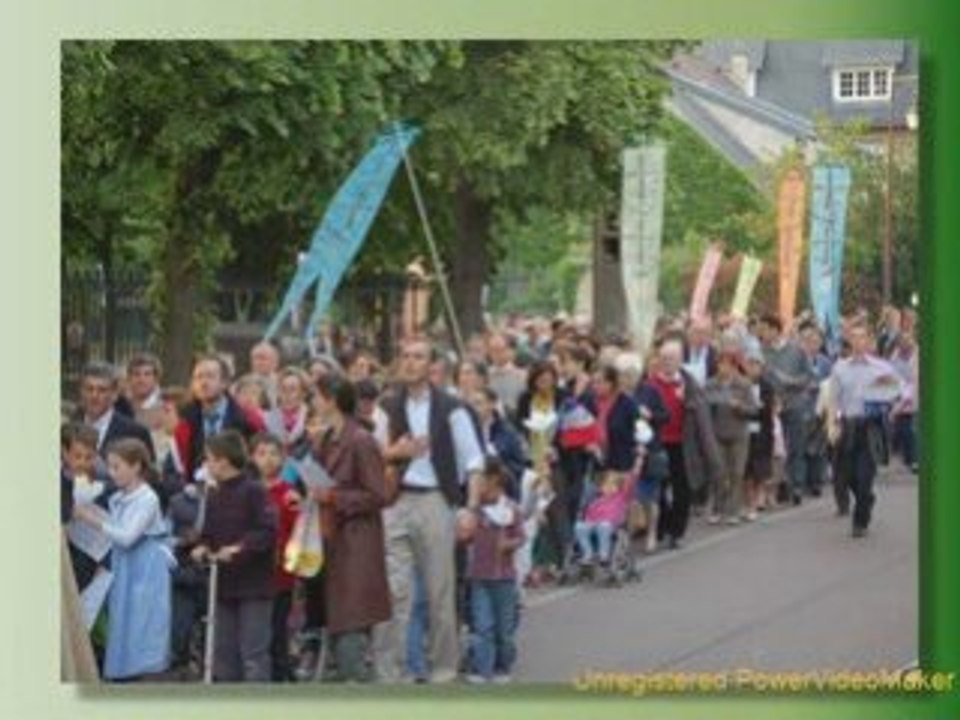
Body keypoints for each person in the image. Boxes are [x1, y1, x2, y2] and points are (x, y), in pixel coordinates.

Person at [374, 337, 485, 683]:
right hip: (395, 501)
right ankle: (388, 674)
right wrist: (398, 452)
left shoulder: (451, 408)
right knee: (393, 592)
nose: (410, 363)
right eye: (405, 356)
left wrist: (470, 508)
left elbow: (474, 461)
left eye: (418, 357)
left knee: (439, 592)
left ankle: (443, 672)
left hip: (436, 500)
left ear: (432, 365)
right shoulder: (386, 407)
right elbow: (374, 454)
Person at [312, 376, 392, 682]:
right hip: (331, 540)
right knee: (339, 624)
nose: (313, 403)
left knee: (352, 625)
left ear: (331, 399)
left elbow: (378, 494)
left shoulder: (360, 440)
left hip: (356, 545)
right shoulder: (324, 439)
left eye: (317, 397)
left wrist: (333, 496)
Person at [71, 438, 173, 681]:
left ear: (136, 466)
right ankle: (122, 673)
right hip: (127, 565)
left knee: (142, 622)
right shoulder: (121, 496)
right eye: (110, 466)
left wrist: (90, 518)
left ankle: (140, 676)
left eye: (117, 467)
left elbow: (127, 536)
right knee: (123, 619)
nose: (112, 472)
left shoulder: (147, 498)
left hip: (145, 568)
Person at [192, 430, 277, 682]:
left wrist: (239, 548)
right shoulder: (214, 494)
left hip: (253, 587)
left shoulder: (254, 491)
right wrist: (202, 547)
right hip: (223, 586)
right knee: (223, 656)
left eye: (209, 459)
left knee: (253, 654)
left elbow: (267, 531)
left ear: (223, 460)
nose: (206, 465)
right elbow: (208, 533)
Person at [829, 325, 903, 537]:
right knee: (848, 475)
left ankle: (860, 522)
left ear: (870, 341)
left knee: (865, 475)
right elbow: (833, 400)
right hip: (848, 425)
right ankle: (866, 498)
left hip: (872, 427)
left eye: (863, 337)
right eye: (854, 337)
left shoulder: (882, 368)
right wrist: (833, 424)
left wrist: (892, 410)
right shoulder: (840, 368)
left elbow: (900, 392)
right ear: (849, 341)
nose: (859, 342)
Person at [649, 336, 723, 549]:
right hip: (658, 444)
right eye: (663, 358)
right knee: (659, 489)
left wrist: (687, 401)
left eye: (671, 358)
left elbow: (702, 415)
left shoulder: (689, 383)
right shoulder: (651, 383)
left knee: (683, 490)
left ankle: (677, 531)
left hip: (683, 443)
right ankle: (662, 524)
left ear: (680, 359)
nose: (667, 362)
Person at [459, 458, 524, 684]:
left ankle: (502, 666)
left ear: (493, 480)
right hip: (479, 578)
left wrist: (509, 544)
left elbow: (521, 537)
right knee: (482, 626)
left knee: (503, 631)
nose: (476, 486)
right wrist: (464, 534)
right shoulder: (476, 512)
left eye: (480, 481)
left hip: (504, 580)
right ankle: (481, 668)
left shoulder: (511, 509)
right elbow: (464, 538)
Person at [250, 433, 301, 683]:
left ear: (282, 458)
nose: (268, 460)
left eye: (273, 453)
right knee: (256, 633)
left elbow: (296, 534)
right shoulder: (249, 492)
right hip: (254, 573)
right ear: (252, 457)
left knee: (277, 631)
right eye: (261, 453)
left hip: (280, 575)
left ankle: (282, 678)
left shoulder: (289, 494)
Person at [174, 354, 265, 483]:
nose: (203, 383)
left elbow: (259, 464)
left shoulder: (248, 421)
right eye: (198, 377)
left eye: (210, 376)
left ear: (225, 382)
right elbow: (176, 467)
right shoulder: (183, 421)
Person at [756, 315, 816, 505]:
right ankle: (776, 487)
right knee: (773, 449)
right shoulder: (760, 351)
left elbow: (808, 377)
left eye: (764, 329)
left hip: (794, 404)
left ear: (775, 329)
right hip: (770, 407)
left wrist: (789, 380)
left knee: (795, 446)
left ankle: (796, 486)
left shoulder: (796, 350)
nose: (761, 333)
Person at [703, 351, 759, 525]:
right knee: (719, 472)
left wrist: (740, 406)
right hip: (717, 433)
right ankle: (717, 508)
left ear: (735, 366)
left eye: (728, 364)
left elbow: (754, 410)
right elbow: (703, 407)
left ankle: (733, 511)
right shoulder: (710, 384)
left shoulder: (744, 384)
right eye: (720, 364)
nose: (723, 368)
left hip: (738, 435)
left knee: (737, 472)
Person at [78, 362, 155, 460]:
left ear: (114, 395)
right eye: (89, 389)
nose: (94, 396)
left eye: (102, 390)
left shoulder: (135, 433)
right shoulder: (67, 427)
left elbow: (149, 473)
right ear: (81, 392)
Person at [469, 388, 529, 501]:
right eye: (471, 405)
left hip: (503, 486)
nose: (474, 409)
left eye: (478, 403)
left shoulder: (507, 431)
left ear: (491, 404)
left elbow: (519, 466)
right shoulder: (467, 430)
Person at [573, 470, 635, 572]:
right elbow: (588, 516)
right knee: (579, 526)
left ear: (618, 487)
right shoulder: (596, 501)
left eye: (613, 484)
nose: (609, 487)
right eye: (606, 484)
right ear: (601, 487)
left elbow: (630, 484)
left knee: (603, 525)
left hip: (611, 525)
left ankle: (604, 555)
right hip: (593, 524)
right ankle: (588, 553)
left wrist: (630, 474)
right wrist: (586, 522)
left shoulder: (621, 497)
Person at [742, 349, 777, 519]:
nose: (752, 368)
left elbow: (765, 409)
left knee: (760, 466)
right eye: (749, 364)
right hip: (743, 430)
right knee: (746, 468)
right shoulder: (740, 383)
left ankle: (759, 497)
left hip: (762, 430)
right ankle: (748, 502)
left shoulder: (767, 386)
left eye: (756, 364)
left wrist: (751, 408)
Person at [889, 331, 919, 473]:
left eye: (908, 340)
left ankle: (914, 460)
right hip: (900, 397)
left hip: (916, 397)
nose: (905, 344)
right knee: (904, 429)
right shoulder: (894, 357)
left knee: (912, 430)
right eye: (902, 341)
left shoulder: (919, 355)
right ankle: (909, 459)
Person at [264, 367, 311, 453]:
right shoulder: (269, 418)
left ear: (303, 393)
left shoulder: (311, 417)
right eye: (283, 389)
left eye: (292, 389)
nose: (287, 394)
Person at [486, 333, 527, 421]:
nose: (497, 354)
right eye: (493, 350)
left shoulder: (522, 375)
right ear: (489, 352)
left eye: (501, 349)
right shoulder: (485, 377)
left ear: (508, 350)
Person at [125, 353, 163, 426]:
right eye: (136, 374)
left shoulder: (166, 409)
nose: (141, 380)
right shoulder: (119, 406)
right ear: (129, 378)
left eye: (147, 374)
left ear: (156, 379)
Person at [683, 316, 718, 387]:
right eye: (698, 333)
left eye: (706, 333)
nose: (701, 337)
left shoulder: (712, 352)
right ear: (690, 333)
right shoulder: (681, 349)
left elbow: (713, 374)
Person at [249, 341, 281, 407]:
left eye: (263, 358)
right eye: (255, 358)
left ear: (275, 362)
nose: (258, 362)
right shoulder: (241, 385)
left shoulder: (282, 383)